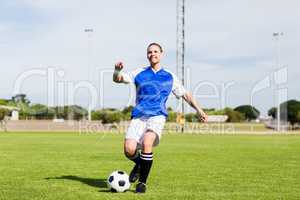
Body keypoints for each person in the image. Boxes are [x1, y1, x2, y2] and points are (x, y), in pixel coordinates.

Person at [113, 42, 207, 193]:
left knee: (147, 142)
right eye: (150, 52)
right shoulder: (139, 73)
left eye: (156, 51)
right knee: (129, 149)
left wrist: (199, 110)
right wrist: (116, 71)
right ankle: (139, 164)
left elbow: (185, 95)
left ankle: (142, 183)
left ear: (161, 54)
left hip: (157, 116)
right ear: (147, 55)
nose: (153, 54)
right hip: (139, 116)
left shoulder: (169, 77)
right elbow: (118, 79)